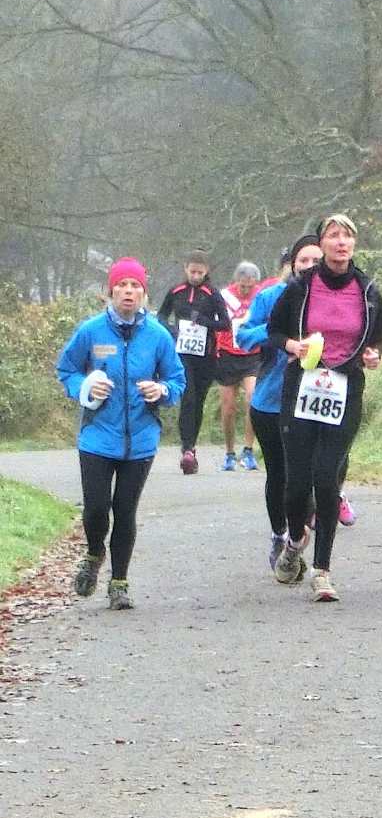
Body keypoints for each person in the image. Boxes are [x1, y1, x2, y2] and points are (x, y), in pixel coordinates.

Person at [266, 214, 382, 602]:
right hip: (303, 385)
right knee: (297, 484)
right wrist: (292, 346)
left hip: (344, 388)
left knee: (327, 479)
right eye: (334, 235)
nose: (341, 242)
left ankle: (322, 571)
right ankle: (294, 540)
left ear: (354, 245)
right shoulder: (301, 287)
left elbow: (377, 338)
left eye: (347, 236)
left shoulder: (367, 289)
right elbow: (274, 331)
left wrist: (373, 354)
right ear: (322, 244)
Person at [56, 258, 186, 609]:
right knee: (97, 510)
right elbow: (66, 370)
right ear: (110, 291)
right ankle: (94, 552)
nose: (128, 292)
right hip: (97, 436)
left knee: (125, 511)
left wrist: (162, 390)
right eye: (122, 285)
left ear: (144, 293)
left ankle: (119, 583)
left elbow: (177, 380)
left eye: (135, 286)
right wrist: (84, 387)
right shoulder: (91, 331)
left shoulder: (158, 335)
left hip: (141, 439)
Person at [236, 237, 322, 572]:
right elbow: (244, 336)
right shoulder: (270, 297)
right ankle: (279, 535)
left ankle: (303, 527)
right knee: (279, 472)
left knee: (312, 472)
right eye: (304, 261)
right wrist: (280, 337)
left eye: (317, 261)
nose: (310, 267)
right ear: (291, 264)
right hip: (272, 400)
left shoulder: (335, 298)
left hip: (315, 399)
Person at [157, 250, 231, 473]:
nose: (196, 276)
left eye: (200, 272)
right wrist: (172, 330)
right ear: (186, 269)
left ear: (206, 271)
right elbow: (161, 316)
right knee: (187, 398)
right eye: (192, 272)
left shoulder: (212, 294)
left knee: (198, 401)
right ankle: (186, 448)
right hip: (182, 354)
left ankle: (192, 446)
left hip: (206, 356)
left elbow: (225, 324)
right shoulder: (176, 291)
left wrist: (205, 322)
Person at [216, 261, 262, 471]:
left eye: (249, 286)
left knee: (252, 398)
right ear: (236, 281)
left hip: (252, 355)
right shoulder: (224, 296)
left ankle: (248, 450)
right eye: (243, 286)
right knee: (228, 408)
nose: (245, 290)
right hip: (227, 355)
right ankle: (229, 453)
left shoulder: (260, 297)